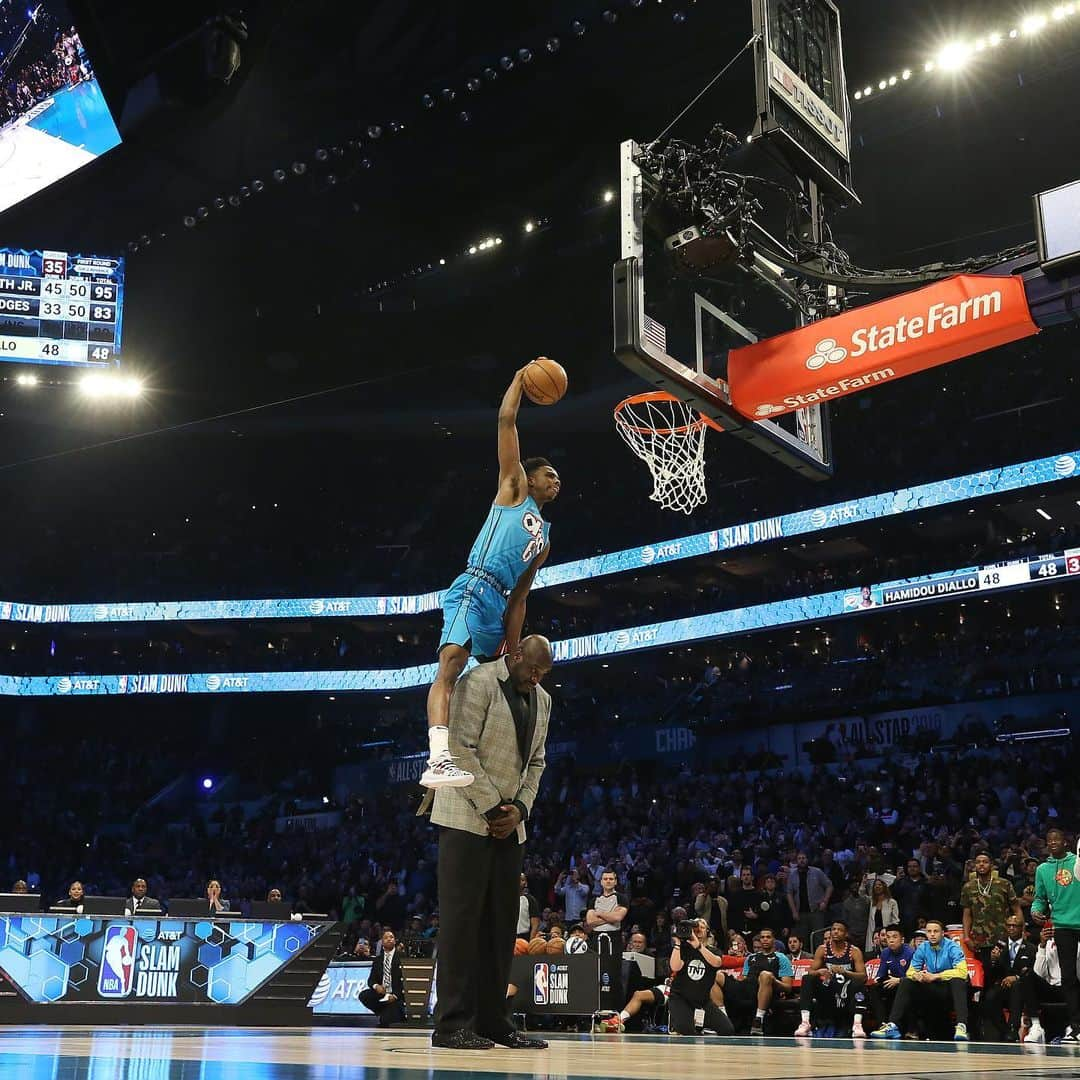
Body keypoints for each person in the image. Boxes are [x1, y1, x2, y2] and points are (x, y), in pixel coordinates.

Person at [421, 367, 560, 789]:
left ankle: (476, 757)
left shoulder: (546, 540)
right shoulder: (513, 488)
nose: (556, 480)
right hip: (474, 586)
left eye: (558, 477)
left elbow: (520, 599)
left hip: (499, 605)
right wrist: (521, 379)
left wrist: (514, 648)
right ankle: (437, 757)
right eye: (549, 474)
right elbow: (505, 421)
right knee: (451, 664)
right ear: (530, 478)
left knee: (500, 681)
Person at [429, 636, 553, 1052]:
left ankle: (494, 1021)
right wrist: (491, 808)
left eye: (543, 673)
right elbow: (459, 749)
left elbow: (537, 762)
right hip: (464, 816)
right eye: (532, 668)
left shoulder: (544, 700)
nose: (535, 678)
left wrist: (519, 808)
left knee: (501, 927)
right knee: (462, 925)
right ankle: (451, 1025)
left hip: (510, 825)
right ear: (515, 655)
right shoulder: (477, 681)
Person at [870, 919, 969, 1041]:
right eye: (929, 931)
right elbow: (910, 971)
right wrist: (917, 975)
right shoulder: (923, 948)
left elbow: (963, 972)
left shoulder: (952, 947)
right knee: (907, 981)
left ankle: (961, 1026)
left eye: (936, 931)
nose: (932, 934)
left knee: (958, 981)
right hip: (933, 987)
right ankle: (893, 1025)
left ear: (943, 933)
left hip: (949, 989)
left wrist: (937, 976)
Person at [1031, 826, 1080, 1042]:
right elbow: (1040, 897)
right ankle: (1076, 1027)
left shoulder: (1077, 862)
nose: (1052, 843)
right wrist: (1035, 910)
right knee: (1068, 977)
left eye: (1057, 839)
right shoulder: (1042, 870)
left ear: (1065, 842)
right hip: (1062, 926)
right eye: (1049, 840)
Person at [794, 920, 867, 1038]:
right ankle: (805, 1023)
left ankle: (857, 1025)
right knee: (807, 978)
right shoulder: (822, 949)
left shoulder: (854, 951)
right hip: (828, 990)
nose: (836, 932)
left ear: (846, 934)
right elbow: (810, 971)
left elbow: (863, 976)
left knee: (859, 984)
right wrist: (819, 972)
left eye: (840, 930)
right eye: (834, 929)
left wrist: (846, 972)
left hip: (846, 991)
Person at [720, 927, 794, 1035]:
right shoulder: (751, 958)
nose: (765, 939)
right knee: (718, 975)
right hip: (746, 990)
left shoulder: (781, 958)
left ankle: (758, 1020)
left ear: (774, 940)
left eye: (768, 937)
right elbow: (744, 979)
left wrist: (772, 979)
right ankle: (722, 1018)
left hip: (765, 989)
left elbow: (788, 987)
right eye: (762, 937)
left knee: (765, 974)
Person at [667, 922, 735, 1036]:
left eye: (702, 927)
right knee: (686, 1030)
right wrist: (678, 943)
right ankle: (677, 1018)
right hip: (680, 998)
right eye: (695, 927)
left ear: (707, 932)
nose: (698, 929)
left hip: (702, 1001)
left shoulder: (713, 951)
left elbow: (716, 963)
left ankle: (698, 1023)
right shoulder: (683, 949)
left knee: (727, 1030)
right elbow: (675, 967)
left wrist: (698, 946)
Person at [981, 914, 1036, 1041]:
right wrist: (993, 960)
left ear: (1022, 928)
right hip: (1002, 984)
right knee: (989, 997)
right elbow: (990, 972)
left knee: (1017, 987)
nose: (1011, 928)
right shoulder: (999, 946)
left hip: (1022, 986)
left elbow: (1034, 971)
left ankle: (1013, 1028)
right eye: (1009, 925)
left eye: (1014, 926)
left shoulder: (1031, 948)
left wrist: (1016, 977)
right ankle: (1004, 1030)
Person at [961, 851, 1022, 953]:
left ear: (992, 865)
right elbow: (967, 914)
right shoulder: (968, 887)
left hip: (1003, 937)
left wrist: (1021, 931)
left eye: (985, 862)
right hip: (978, 939)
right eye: (978, 862)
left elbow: (1016, 909)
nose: (981, 864)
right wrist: (966, 937)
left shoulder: (1004, 884)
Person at [869, 925, 914, 1036]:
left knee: (904, 986)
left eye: (894, 937)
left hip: (908, 985)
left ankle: (904, 1027)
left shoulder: (910, 953)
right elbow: (881, 974)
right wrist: (876, 980)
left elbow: (915, 976)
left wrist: (899, 980)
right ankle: (883, 1025)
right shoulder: (885, 953)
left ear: (902, 939)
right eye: (888, 937)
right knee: (874, 989)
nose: (891, 940)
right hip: (893, 983)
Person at [359, 929, 409, 1027]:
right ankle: (383, 1011)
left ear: (395, 941)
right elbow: (371, 980)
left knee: (387, 1022)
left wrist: (394, 996)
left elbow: (405, 981)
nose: (389, 939)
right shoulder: (378, 960)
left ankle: (391, 1012)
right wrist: (376, 986)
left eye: (391, 937)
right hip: (382, 994)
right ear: (382, 942)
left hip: (396, 995)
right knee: (364, 995)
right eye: (386, 937)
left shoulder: (402, 957)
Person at [787, 852, 832, 946]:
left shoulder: (817, 872)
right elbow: (789, 894)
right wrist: (794, 911)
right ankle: (806, 960)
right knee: (803, 940)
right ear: (796, 861)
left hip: (816, 911)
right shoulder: (792, 875)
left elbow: (829, 886)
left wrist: (825, 901)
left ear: (807, 859)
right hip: (801, 913)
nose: (802, 860)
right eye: (799, 858)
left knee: (818, 938)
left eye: (803, 858)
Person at [586, 870, 628, 954]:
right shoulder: (594, 900)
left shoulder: (622, 898)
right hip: (596, 940)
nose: (608, 881)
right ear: (601, 882)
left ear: (615, 882)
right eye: (605, 879)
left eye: (611, 879)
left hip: (614, 940)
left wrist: (599, 913)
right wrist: (610, 916)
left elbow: (618, 917)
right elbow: (590, 921)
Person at [863, 879, 900, 954]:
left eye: (879, 884)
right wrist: (863, 884)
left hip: (887, 934)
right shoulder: (871, 901)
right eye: (875, 885)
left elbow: (895, 920)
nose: (877, 886)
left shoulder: (892, 902)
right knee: (873, 954)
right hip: (873, 934)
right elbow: (861, 895)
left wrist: (892, 933)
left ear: (884, 886)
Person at [516, 873, 540, 941]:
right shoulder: (505, 899)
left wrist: (531, 942)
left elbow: (535, 925)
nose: (519, 881)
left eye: (522, 880)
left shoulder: (530, 900)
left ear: (526, 883)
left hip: (524, 937)